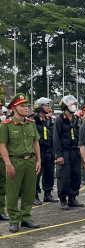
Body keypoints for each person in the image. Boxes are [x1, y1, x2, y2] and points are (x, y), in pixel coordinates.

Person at [0, 93, 42, 233]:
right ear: (14, 108)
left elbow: (35, 142)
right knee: (12, 192)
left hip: (30, 161)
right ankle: (14, 219)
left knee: (29, 191)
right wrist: (8, 164)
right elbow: (2, 146)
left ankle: (26, 217)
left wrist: (38, 160)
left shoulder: (31, 124)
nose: (26, 108)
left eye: (26, 106)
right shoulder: (6, 125)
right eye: (22, 106)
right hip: (14, 161)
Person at [53, 95, 84, 210]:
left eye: (74, 104)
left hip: (75, 151)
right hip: (64, 151)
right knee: (64, 176)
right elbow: (56, 138)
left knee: (76, 175)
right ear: (65, 106)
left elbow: (80, 136)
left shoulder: (77, 119)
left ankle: (73, 197)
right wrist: (59, 155)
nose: (74, 106)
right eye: (71, 104)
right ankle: (63, 199)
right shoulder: (59, 120)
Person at [31, 97, 59, 205]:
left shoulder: (50, 121)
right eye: (46, 105)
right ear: (40, 107)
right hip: (39, 150)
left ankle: (48, 193)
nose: (48, 107)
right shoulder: (33, 120)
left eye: (49, 105)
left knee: (50, 173)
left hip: (49, 150)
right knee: (36, 174)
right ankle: (35, 195)